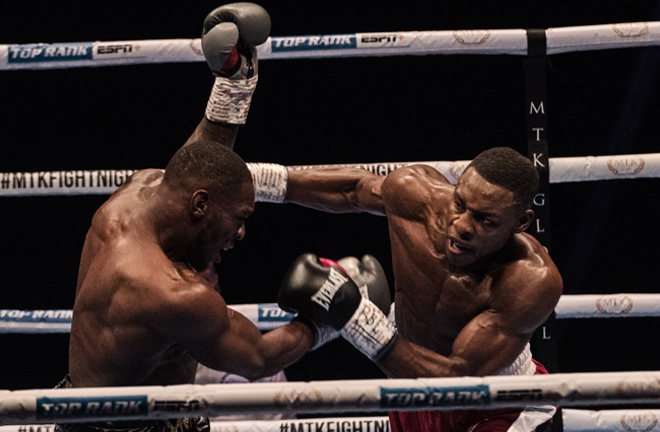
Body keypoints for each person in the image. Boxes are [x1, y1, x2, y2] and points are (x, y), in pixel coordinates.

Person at [55, 4, 332, 432]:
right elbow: (259, 357)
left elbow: (197, 164)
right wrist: (329, 319)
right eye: (239, 217)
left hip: (87, 411)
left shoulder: (133, 198)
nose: (241, 233)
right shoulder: (173, 294)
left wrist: (235, 84)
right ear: (201, 207)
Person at [276, 147, 564, 432]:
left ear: (521, 222)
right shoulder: (417, 197)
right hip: (410, 382)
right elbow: (353, 190)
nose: (462, 225)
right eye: (460, 204)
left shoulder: (531, 279)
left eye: (484, 219)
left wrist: (357, 319)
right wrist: (262, 183)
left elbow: (458, 379)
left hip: (494, 400)